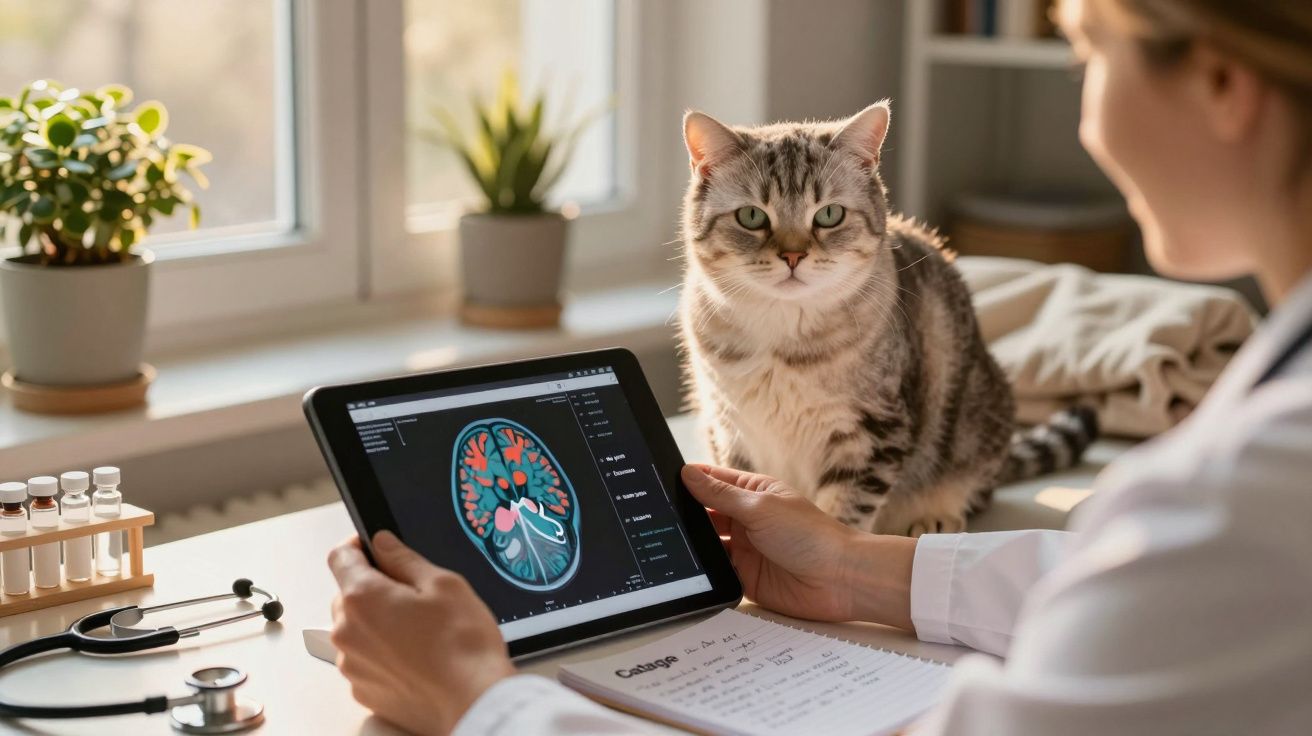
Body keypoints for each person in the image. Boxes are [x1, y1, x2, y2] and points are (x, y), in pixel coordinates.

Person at [326, 0, 1312, 733]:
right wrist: (852, 565)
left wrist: (479, 701)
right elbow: (1140, 594)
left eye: (1086, 53)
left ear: (1223, 85)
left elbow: (1186, 575)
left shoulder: (1249, 490)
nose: (1087, 112)